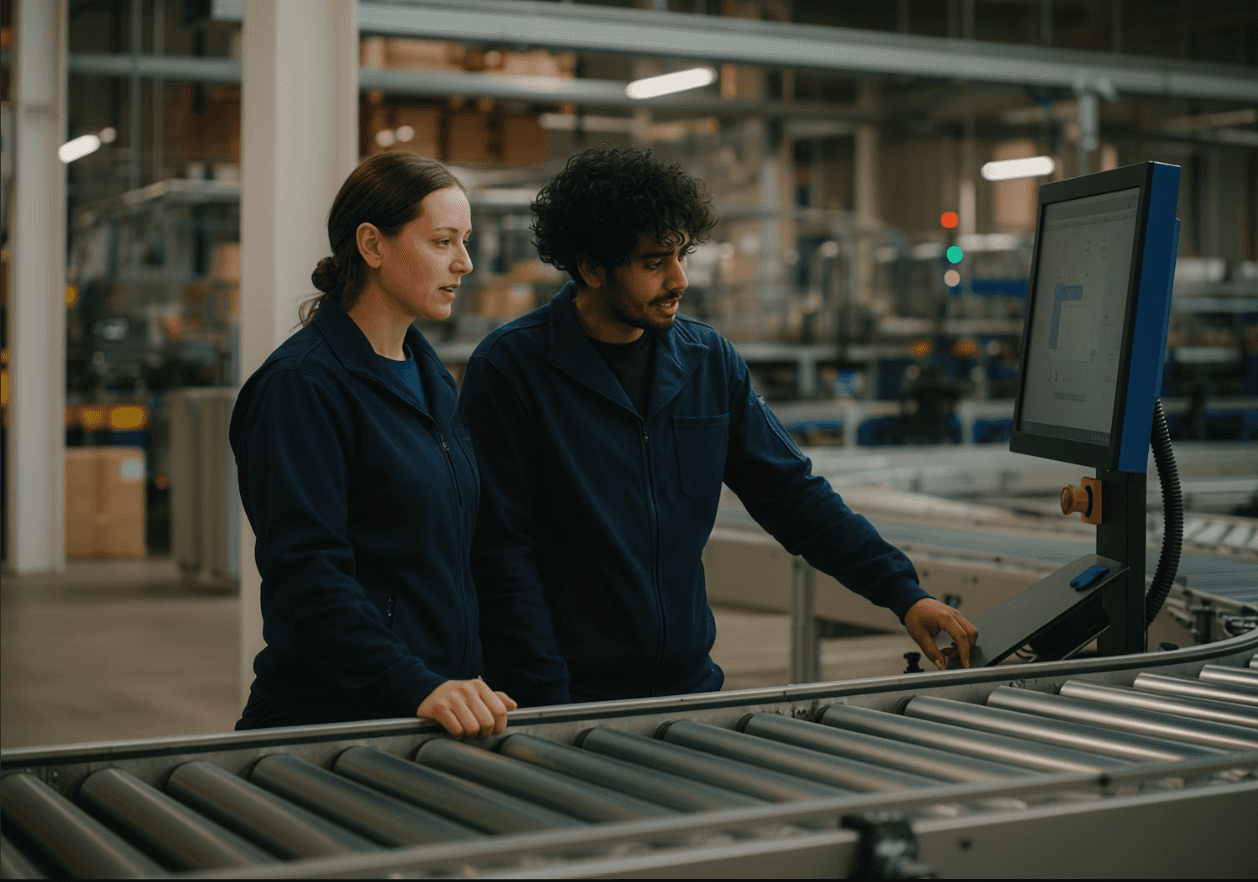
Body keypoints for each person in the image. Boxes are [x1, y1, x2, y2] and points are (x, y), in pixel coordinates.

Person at [459, 147, 977, 707]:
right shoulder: (512, 370)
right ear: (591, 268)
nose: (679, 279)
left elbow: (792, 495)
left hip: (689, 689)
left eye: (681, 254)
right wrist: (548, 704)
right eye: (654, 263)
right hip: (563, 697)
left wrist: (902, 592)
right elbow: (500, 553)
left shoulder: (708, 362)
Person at [229, 152, 515, 736]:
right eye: (442, 241)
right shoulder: (300, 388)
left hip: (430, 712)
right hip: (332, 723)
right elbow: (308, 577)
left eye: (465, 241)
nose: (464, 263)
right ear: (372, 245)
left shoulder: (429, 374)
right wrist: (414, 682)